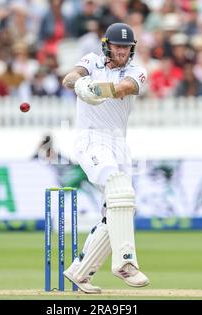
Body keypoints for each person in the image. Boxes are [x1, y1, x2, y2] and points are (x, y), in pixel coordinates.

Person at [61, 22, 149, 294]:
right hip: (91, 139)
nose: (122, 51)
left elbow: (124, 88)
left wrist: (94, 90)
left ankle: (80, 272)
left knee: (119, 209)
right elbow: (69, 79)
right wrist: (82, 83)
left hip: (118, 145)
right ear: (106, 46)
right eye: (117, 46)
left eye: (126, 47)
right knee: (119, 189)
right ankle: (125, 263)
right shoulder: (91, 62)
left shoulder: (137, 71)